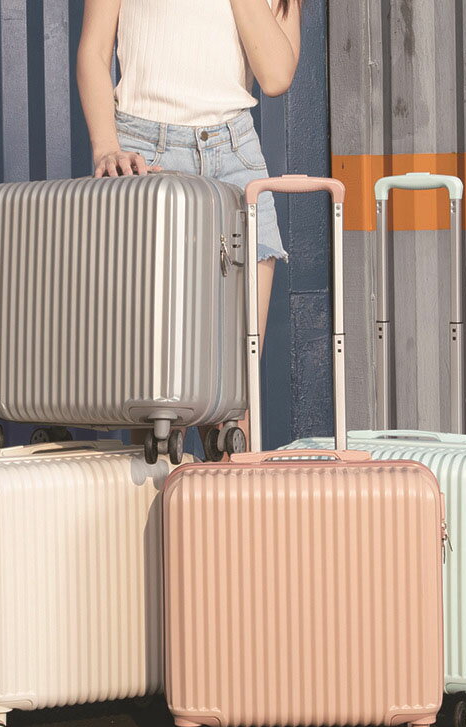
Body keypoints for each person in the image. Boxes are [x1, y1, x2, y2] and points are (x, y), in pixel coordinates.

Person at [76, 0, 302, 452]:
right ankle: (161, 498)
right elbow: (94, 52)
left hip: (235, 156)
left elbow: (277, 75)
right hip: (145, 155)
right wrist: (106, 148)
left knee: (233, 399)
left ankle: (227, 500)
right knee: (158, 396)